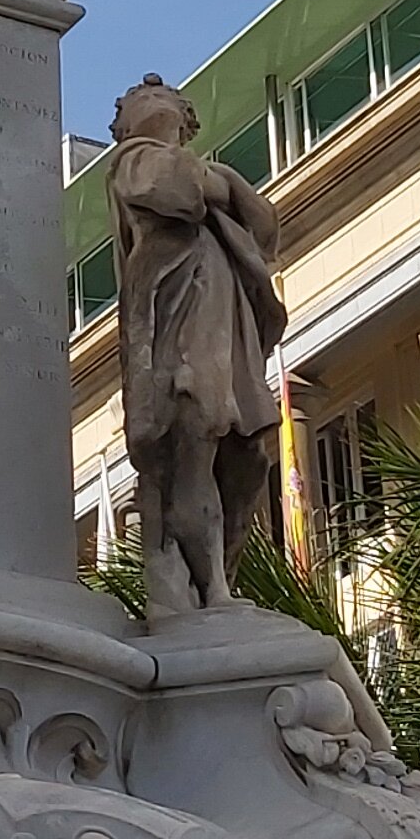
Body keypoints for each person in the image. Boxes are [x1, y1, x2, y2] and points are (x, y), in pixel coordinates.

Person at [108, 75, 286, 615]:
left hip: (226, 333)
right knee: (195, 438)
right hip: (178, 333)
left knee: (248, 456)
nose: (154, 96)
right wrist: (219, 184)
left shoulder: (216, 185)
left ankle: (217, 576)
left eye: (165, 98)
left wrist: (223, 185)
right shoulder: (130, 161)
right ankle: (209, 590)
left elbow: (263, 225)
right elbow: (178, 194)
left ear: (187, 120)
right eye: (141, 99)